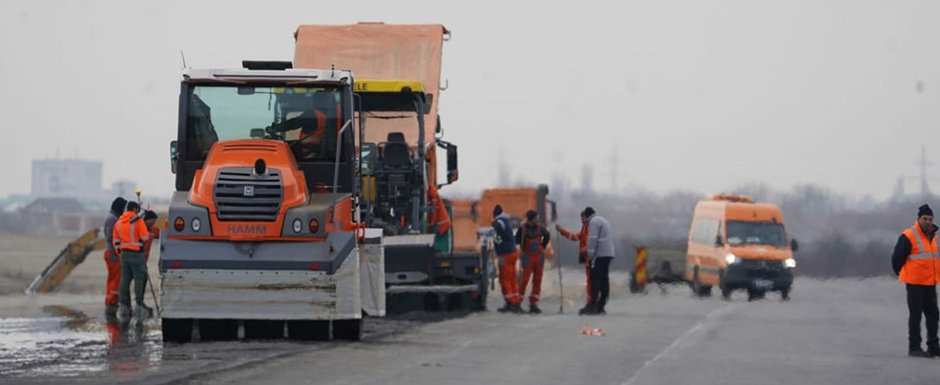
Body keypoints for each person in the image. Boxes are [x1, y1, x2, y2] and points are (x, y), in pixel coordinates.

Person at [891, 203, 940, 357]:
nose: (928, 221)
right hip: (915, 283)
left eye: (930, 219)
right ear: (918, 219)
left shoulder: (933, 237)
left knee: (933, 315)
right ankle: (914, 347)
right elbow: (897, 257)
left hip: (930, 282)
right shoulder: (909, 235)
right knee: (916, 315)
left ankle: (933, 346)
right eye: (925, 218)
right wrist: (903, 273)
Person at [112, 201, 153, 320]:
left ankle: (124, 306)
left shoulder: (118, 223)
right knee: (140, 279)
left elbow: (116, 242)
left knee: (125, 280)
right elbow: (145, 238)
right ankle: (139, 305)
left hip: (124, 255)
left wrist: (121, 253)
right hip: (137, 254)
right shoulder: (138, 221)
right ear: (135, 209)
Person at [556, 209, 594, 315]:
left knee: (593, 283)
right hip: (587, 260)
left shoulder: (592, 229)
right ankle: (590, 304)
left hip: (592, 260)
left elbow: (593, 243)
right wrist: (562, 231)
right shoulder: (584, 229)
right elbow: (574, 237)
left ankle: (592, 304)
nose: (582, 220)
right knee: (590, 283)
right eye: (581, 218)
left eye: (583, 218)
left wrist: (585, 249)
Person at [515, 210, 551, 314]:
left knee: (537, 281)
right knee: (523, 281)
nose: (538, 219)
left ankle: (533, 304)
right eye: (536, 217)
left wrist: (543, 246)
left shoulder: (540, 228)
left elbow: (547, 235)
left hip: (539, 257)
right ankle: (518, 303)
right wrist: (520, 250)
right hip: (527, 257)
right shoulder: (522, 229)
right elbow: (517, 241)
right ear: (531, 219)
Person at [584, 207, 615, 315]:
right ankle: (601, 305)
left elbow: (592, 239)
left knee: (595, 280)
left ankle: (593, 306)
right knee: (604, 280)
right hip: (608, 253)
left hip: (600, 255)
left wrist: (590, 255)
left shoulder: (593, 222)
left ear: (587, 216)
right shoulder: (602, 220)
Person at [492, 204, 522, 313]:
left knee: (504, 279)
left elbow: (499, 227)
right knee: (512, 278)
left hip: (505, 254)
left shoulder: (500, 221)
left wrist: (494, 226)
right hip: (512, 253)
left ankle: (510, 303)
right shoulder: (507, 220)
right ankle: (515, 301)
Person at [102, 197, 127, 319]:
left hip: (112, 253)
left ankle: (110, 301)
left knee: (113, 278)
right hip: (113, 253)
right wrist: (114, 254)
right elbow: (112, 238)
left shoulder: (113, 218)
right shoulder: (113, 219)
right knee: (115, 279)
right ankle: (111, 303)